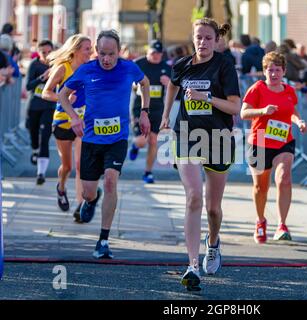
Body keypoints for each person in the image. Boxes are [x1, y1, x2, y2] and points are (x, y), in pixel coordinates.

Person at [160, 18, 240, 291]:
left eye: (208, 38)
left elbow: (234, 108)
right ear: (192, 37)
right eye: (198, 37)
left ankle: (214, 242)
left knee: (212, 208)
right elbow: (172, 84)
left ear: (216, 40)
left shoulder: (224, 65)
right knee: (193, 196)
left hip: (217, 139)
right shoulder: (181, 65)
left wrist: (206, 99)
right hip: (186, 137)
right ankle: (193, 265)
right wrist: (165, 115)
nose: (203, 42)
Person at [58, 30, 150, 259]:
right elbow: (62, 95)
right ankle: (92, 198)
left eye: (111, 54)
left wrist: (145, 111)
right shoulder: (87, 70)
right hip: (90, 139)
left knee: (111, 181)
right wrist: (74, 117)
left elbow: (145, 83)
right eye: (102, 54)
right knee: (88, 193)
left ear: (119, 52)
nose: (107, 59)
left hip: (117, 139)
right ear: (97, 52)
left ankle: (103, 240)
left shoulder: (129, 67)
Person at [240, 51, 307, 244]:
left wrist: (299, 121)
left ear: (284, 71)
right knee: (260, 187)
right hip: (259, 141)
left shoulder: (289, 91)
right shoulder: (257, 89)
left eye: (278, 70)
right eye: (270, 70)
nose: (274, 74)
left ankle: (282, 225)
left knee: (284, 178)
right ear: (264, 71)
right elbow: (243, 112)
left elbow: (292, 111)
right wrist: (262, 111)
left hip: (283, 142)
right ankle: (260, 221)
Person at [42, 34, 92, 219]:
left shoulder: (88, 69)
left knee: (80, 165)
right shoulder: (63, 68)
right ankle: (61, 187)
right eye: (87, 49)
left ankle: (80, 205)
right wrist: (63, 98)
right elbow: (46, 93)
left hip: (82, 122)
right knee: (67, 167)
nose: (91, 52)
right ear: (76, 49)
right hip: (63, 121)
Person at [129, 39, 171, 184]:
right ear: (148, 51)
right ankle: (135, 146)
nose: (156, 56)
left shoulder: (166, 67)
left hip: (157, 108)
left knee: (153, 140)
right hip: (139, 108)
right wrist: (135, 85)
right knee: (142, 141)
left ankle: (148, 172)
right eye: (153, 53)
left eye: (159, 53)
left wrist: (169, 83)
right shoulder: (138, 64)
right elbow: (129, 83)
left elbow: (176, 89)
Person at [25, 39, 55, 184]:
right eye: (44, 52)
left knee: (45, 138)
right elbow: (28, 86)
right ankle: (34, 149)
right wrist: (42, 78)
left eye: (50, 52)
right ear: (39, 52)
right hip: (34, 106)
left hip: (49, 107)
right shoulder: (34, 65)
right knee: (34, 136)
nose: (47, 55)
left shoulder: (56, 65)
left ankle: (40, 174)